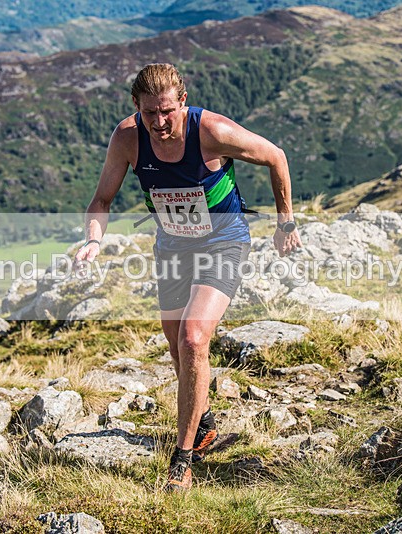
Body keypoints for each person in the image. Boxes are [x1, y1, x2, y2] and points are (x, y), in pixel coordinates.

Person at [74, 63, 302, 492]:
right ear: (136, 108)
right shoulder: (128, 139)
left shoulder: (211, 131)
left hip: (223, 242)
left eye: (167, 112)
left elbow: (276, 156)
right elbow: (102, 199)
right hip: (173, 247)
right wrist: (93, 240)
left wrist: (285, 221)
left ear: (182, 102)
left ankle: (183, 460)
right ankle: (206, 422)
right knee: (178, 345)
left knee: (194, 338)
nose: (159, 123)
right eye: (149, 114)